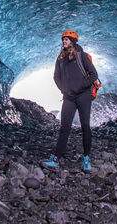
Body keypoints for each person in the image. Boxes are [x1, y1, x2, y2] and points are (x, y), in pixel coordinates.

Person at [41, 30, 99, 172]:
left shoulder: (82, 56)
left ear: (73, 41)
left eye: (66, 39)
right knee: (64, 128)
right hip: (69, 97)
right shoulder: (60, 58)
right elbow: (56, 76)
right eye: (63, 39)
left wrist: (81, 86)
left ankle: (86, 159)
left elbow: (94, 75)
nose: (64, 41)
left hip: (83, 96)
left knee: (85, 126)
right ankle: (56, 159)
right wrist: (64, 89)